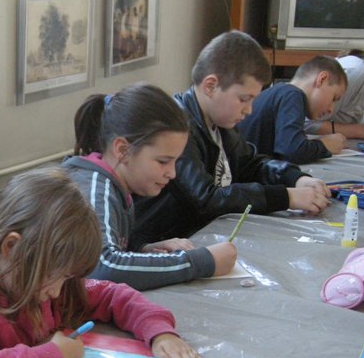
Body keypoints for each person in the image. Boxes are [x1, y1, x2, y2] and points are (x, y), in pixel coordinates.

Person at [0, 167, 208, 358]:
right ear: (12, 247)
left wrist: (159, 332)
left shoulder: (47, 287)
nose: (58, 291)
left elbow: (113, 294)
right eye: (56, 276)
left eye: (67, 278)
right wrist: (54, 356)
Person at [130, 30, 331, 245]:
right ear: (211, 86)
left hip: (202, 234)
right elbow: (207, 199)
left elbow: (251, 163)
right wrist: (286, 197)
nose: (249, 110)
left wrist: (295, 178)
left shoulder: (221, 122)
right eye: (244, 99)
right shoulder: (177, 130)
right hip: (165, 241)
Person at [63, 83, 237, 290]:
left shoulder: (114, 185)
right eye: (163, 161)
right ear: (123, 150)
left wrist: (142, 249)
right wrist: (201, 262)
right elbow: (102, 267)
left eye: (175, 161)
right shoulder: (94, 190)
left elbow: (110, 247)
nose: (172, 173)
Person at [238, 55, 348, 164]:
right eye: (334, 98)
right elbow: (291, 151)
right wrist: (324, 145)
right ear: (322, 79)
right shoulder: (292, 95)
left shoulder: (281, 92)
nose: (331, 109)